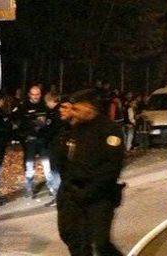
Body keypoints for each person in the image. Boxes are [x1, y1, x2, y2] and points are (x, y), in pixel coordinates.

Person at [54, 89, 126, 256]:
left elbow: (112, 167)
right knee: (73, 239)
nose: (73, 112)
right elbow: (63, 161)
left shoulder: (109, 130)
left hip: (99, 195)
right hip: (73, 193)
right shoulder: (73, 129)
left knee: (100, 243)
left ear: (89, 108)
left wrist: (90, 191)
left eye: (77, 109)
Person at [15, 84, 50, 198]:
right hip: (29, 140)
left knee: (47, 165)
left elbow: (48, 121)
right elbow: (17, 122)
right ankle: (29, 189)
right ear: (29, 95)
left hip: (42, 140)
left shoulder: (44, 106)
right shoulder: (23, 106)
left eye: (37, 94)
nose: (35, 97)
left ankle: (52, 188)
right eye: (33, 94)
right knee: (29, 165)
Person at [41, 91, 66, 206]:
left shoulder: (53, 113)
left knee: (55, 171)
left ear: (51, 101)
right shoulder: (64, 110)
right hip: (63, 144)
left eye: (47, 102)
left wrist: (42, 135)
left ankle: (59, 197)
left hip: (55, 145)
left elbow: (49, 130)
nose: (46, 105)